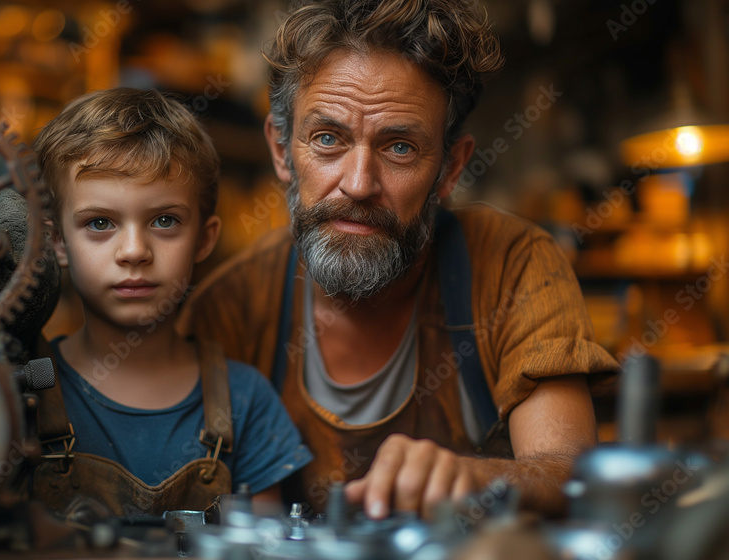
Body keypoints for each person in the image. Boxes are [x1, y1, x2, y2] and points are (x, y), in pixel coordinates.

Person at [179, 0, 618, 519]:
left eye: (400, 148)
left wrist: (477, 476)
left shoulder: (513, 266)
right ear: (281, 150)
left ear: (450, 169)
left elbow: (573, 477)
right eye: (327, 139)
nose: (359, 184)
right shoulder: (230, 312)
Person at [29, 88, 312, 518]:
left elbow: (264, 546)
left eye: (164, 221)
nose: (134, 251)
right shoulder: (24, 394)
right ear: (57, 242)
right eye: (100, 223)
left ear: (204, 238)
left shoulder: (245, 401)